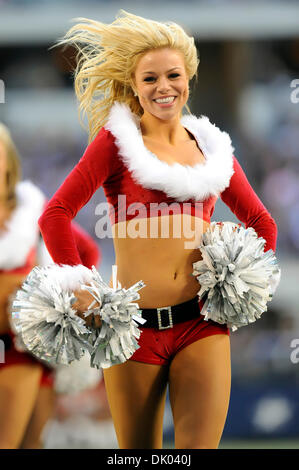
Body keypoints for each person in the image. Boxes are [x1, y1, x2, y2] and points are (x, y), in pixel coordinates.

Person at [38, 11, 278, 449]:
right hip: (131, 331)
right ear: (134, 84)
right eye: (150, 79)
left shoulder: (212, 147)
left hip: (201, 327)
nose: (163, 87)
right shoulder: (115, 142)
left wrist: (242, 277)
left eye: (173, 75)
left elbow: (262, 223)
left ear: (189, 78)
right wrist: (77, 281)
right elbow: (54, 214)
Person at [0, 122, 101, 449]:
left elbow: (87, 252)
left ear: (9, 162)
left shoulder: (31, 210)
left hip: (21, 351)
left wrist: (62, 299)